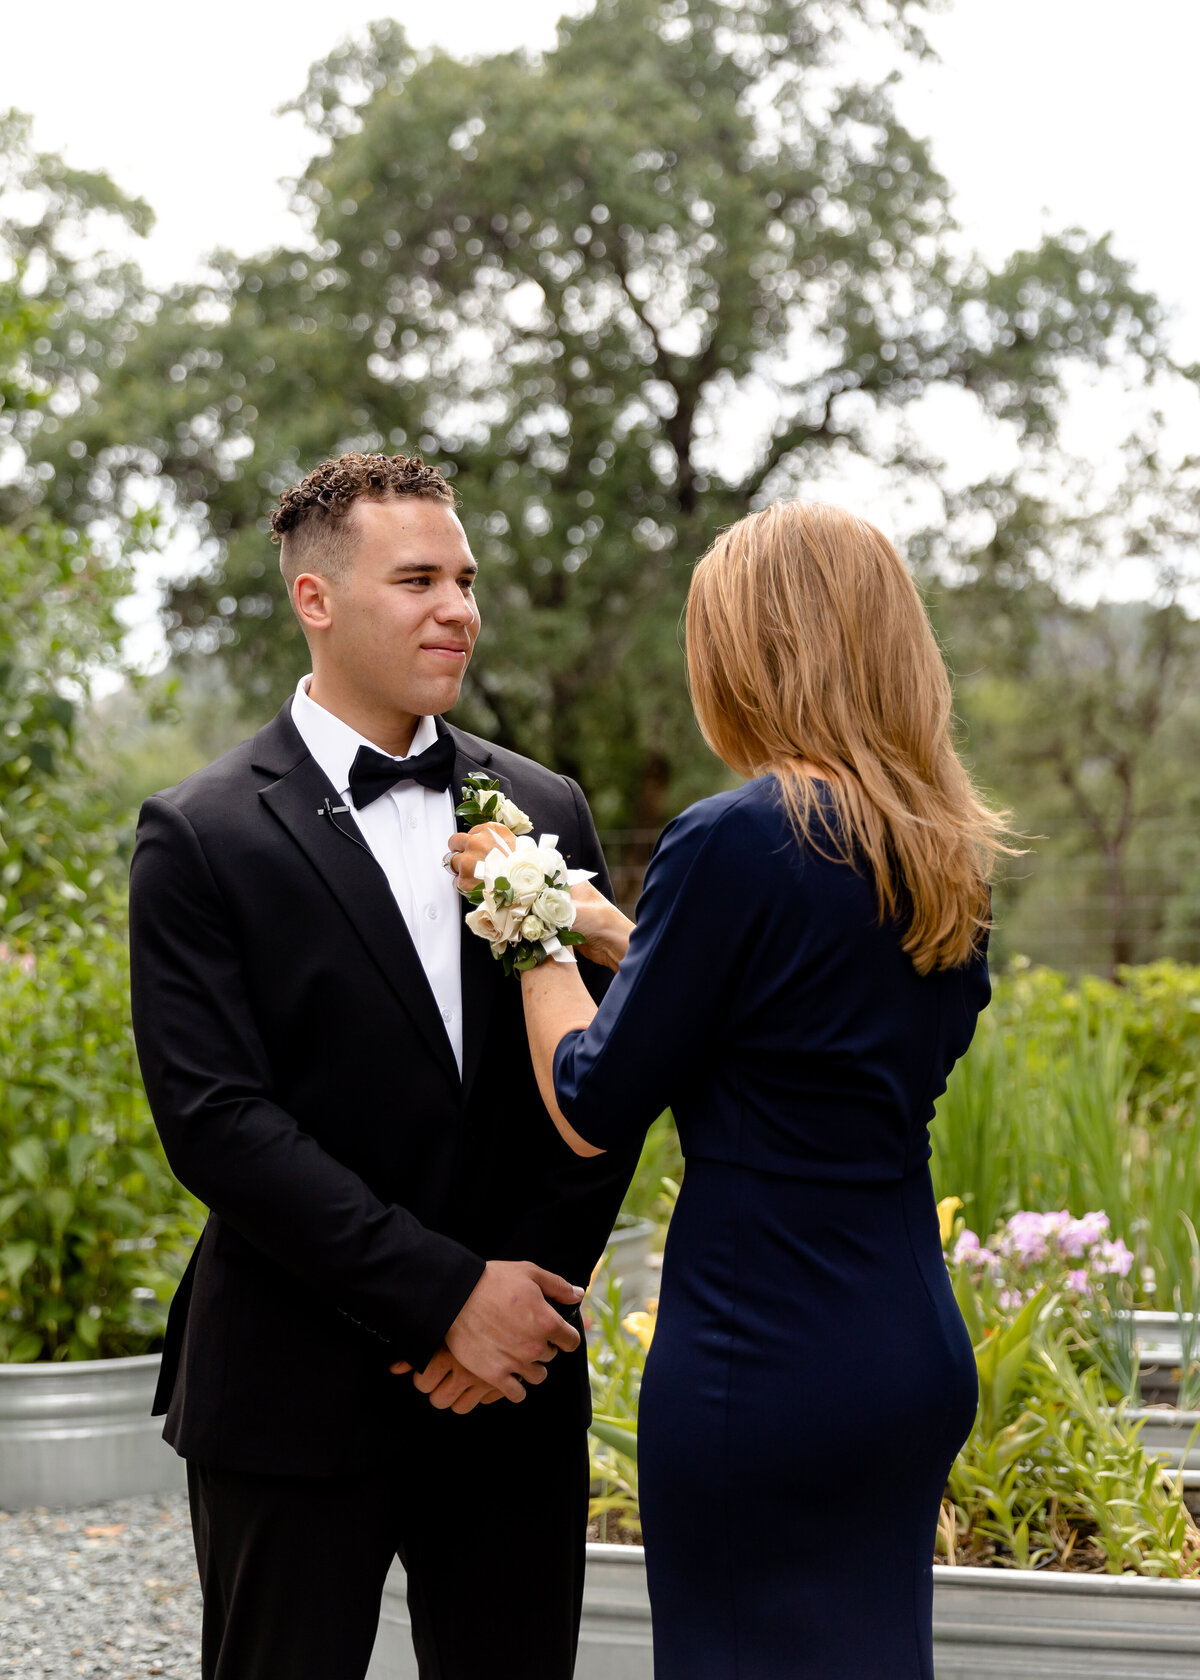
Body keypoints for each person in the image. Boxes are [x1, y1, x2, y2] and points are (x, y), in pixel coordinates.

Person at [452, 499, 1001, 1680]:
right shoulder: (941, 848)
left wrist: (535, 926)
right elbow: (781, 1017)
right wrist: (617, 931)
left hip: (767, 1353)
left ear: (753, 656)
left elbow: (591, 1099)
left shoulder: (735, 837)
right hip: (903, 1342)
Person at [128, 453, 639, 1680]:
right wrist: (442, 1298)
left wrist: (524, 1302)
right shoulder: (198, 833)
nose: (458, 608)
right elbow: (218, 1123)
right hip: (290, 1387)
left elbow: (613, 1074)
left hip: (517, 1378)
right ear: (316, 598)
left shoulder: (541, 806)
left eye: (464, 579)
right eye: (418, 579)